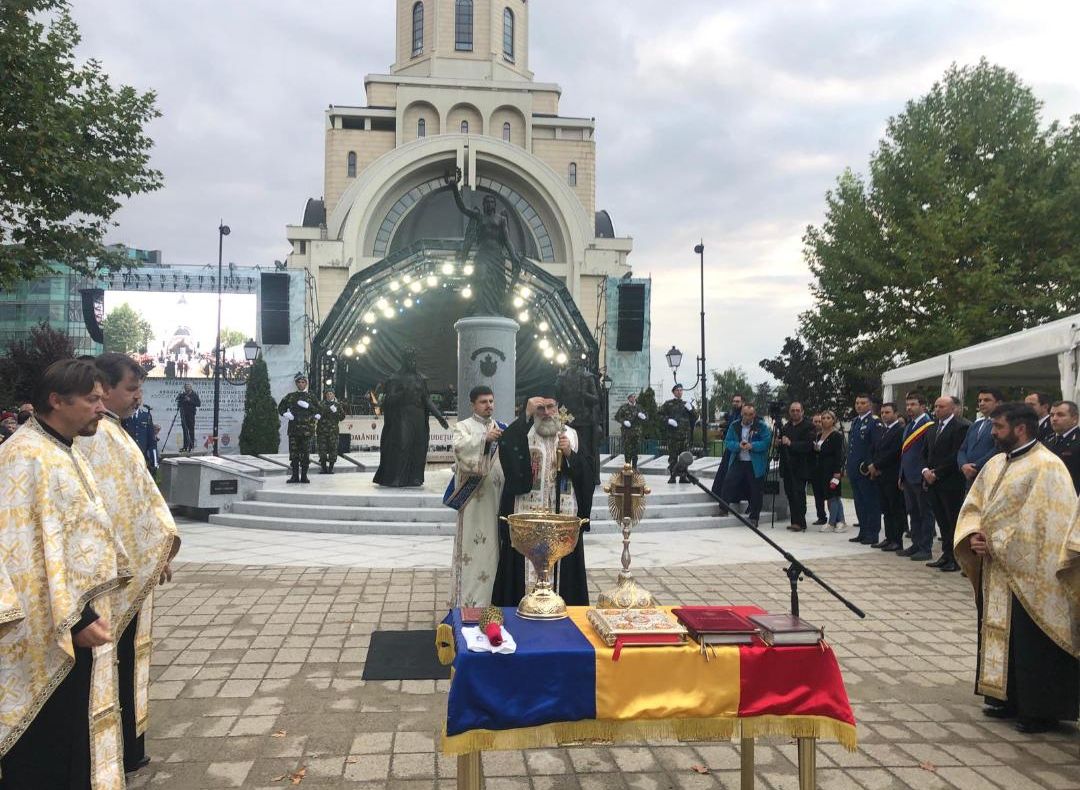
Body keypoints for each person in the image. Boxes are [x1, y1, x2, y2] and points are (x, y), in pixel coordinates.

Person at [0, 360, 127, 788]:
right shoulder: (26, 458)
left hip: (72, 617)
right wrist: (78, 618)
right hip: (49, 630)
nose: (101, 409)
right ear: (57, 400)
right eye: (92, 399)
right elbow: (22, 554)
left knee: (72, 735)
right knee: (47, 744)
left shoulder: (58, 448)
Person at [77, 353, 179, 774]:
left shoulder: (113, 431)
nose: (137, 398)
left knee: (127, 655)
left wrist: (155, 547)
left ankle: (127, 745)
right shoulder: (92, 437)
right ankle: (116, 749)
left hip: (134, 565)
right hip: (110, 576)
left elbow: (136, 498)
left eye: (140, 390)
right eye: (130, 390)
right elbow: (104, 508)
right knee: (110, 658)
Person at [954, 402, 1079, 733]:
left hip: (1032, 573)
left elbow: (1045, 522)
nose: (993, 433)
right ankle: (1005, 697)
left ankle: (1039, 710)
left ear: (1020, 428)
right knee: (1001, 632)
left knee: (1030, 639)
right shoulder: (995, 463)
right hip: (996, 568)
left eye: (998, 427)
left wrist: (995, 542)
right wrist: (974, 537)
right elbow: (974, 505)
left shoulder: (1047, 466)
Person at [492, 390, 593, 607]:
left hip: (561, 517)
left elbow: (588, 474)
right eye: (540, 408)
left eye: (551, 407)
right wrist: (524, 416)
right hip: (527, 517)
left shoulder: (572, 436)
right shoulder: (522, 434)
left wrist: (570, 456)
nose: (546, 413)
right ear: (533, 411)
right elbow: (506, 451)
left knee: (563, 570)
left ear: (559, 409)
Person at [448, 386, 506, 607]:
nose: (489, 405)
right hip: (473, 500)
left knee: (495, 549)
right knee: (471, 549)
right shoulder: (463, 427)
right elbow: (460, 450)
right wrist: (485, 438)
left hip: (497, 497)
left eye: (491, 401)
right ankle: (468, 602)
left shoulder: (502, 428)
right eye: (483, 402)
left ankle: (494, 601)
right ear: (473, 404)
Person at [372, 348, 449, 487]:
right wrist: (403, 393)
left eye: (414, 360)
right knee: (402, 444)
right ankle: (397, 477)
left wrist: (439, 416)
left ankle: (415, 477)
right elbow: (388, 400)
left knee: (419, 445)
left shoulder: (420, 378)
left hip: (418, 416)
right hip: (403, 416)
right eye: (410, 360)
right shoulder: (395, 378)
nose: (412, 363)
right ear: (404, 361)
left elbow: (426, 399)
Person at [921, 395, 970, 572]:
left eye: (941, 406)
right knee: (941, 520)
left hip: (950, 482)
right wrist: (925, 470)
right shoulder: (932, 428)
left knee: (952, 520)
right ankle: (946, 554)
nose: (937, 410)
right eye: (935, 406)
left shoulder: (961, 427)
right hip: (932, 481)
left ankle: (955, 558)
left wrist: (938, 473)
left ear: (952, 409)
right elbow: (925, 452)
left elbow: (956, 454)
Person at [720, 403, 772, 527]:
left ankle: (754, 516)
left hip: (755, 463)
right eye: (745, 414)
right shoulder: (735, 425)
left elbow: (766, 442)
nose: (748, 417)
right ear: (741, 414)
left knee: (756, 489)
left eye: (750, 414)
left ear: (754, 415)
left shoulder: (761, 426)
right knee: (728, 482)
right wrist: (738, 445)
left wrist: (752, 446)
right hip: (739, 460)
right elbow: (728, 442)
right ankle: (723, 509)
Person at [898, 393, 936, 561]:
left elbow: (928, 453)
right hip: (908, 475)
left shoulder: (928, 425)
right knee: (913, 512)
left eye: (913, 404)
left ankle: (925, 547)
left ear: (922, 406)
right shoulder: (909, 426)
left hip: (920, 475)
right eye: (907, 405)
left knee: (925, 513)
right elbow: (905, 453)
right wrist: (901, 474)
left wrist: (925, 471)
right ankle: (915, 543)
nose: (909, 408)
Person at [866, 402, 905, 552]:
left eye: (887, 412)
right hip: (879, 475)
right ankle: (889, 538)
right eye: (882, 412)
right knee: (886, 509)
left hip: (891, 474)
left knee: (895, 509)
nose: (884, 415)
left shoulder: (899, 430)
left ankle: (897, 540)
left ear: (895, 413)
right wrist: (871, 464)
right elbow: (873, 449)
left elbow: (894, 452)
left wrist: (876, 465)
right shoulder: (882, 430)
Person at [846, 393, 882, 545]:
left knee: (870, 502)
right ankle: (863, 531)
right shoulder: (855, 421)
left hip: (866, 469)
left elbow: (876, 446)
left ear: (869, 405)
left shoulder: (874, 422)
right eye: (857, 403)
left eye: (863, 403)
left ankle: (872, 533)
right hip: (855, 469)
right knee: (859, 502)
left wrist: (872, 464)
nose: (859, 405)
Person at [957, 388, 1003, 491]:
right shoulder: (975, 425)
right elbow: (962, 449)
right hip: (969, 478)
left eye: (987, 400)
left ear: (999, 403)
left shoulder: (1002, 425)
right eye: (980, 400)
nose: (981, 403)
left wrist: (975, 467)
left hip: (988, 477)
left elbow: (998, 449)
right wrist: (963, 465)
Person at [278, 372, 321, 484]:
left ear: (306, 383)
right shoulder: (291, 396)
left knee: (305, 454)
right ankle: (295, 476)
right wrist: (285, 414)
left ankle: (304, 476)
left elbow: (319, 410)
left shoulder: (311, 396)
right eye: (299, 382)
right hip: (294, 430)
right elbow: (281, 407)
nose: (301, 384)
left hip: (307, 430)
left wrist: (309, 406)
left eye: (303, 382)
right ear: (296, 384)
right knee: (294, 455)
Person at [779, 401, 815, 532]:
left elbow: (808, 445)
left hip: (801, 466)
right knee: (790, 493)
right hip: (787, 466)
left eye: (797, 410)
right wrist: (779, 443)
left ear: (802, 412)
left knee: (799, 494)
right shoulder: (786, 427)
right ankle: (794, 521)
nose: (795, 413)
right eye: (792, 410)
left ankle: (801, 521)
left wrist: (790, 443)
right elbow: (782, 445)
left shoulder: (809, 426)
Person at [813, 410, 848, 532]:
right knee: (829, 495)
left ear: (833, 420)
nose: (825, 420)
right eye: (823, 418)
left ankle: (833, 522)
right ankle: (841, 520)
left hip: (832, 469)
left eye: (828, 418)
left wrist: (837, 471)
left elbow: (839, 454)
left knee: (833, 495)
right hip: (821, 469)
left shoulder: (836, 435)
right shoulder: (819, 435)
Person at [710, 394, 745, 506]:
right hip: (731, 447)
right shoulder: (731, 414)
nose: (735, 403)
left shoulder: (743, 414)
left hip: (740, 448)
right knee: (724, 471)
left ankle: (734, 496)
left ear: (742, 402)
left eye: (738, 401)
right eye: (734, 401)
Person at [659, 384, 697, 484]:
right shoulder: (668, 404)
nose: (679, 392)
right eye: (677, 390)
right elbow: (659, 415)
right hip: (673, 436)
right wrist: (668, 420)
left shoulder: (686, 404)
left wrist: (691, 409)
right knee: (673, 457)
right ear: (674, 392)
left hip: (685, 436)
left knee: (684, 457)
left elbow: (696, 417)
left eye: (681, 390)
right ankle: (672, 476)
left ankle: (683, 477)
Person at [1048, 400, 1079, 493]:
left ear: (1075, 419)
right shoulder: (1047, 441)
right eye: (1052, 415)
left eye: (1060, 415)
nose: (1054, 419)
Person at [612, 392, 647, 469]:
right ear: (628, 398)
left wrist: (643, 416)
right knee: (627, 451)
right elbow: (617, 417)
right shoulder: (624, 407)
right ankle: (627, 467)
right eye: (631, 397)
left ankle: (634, 467)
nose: (633, 398)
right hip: (627, 434)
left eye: (634, 397)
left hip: (637, 433)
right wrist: (624, 421)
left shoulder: (639, 407)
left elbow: (646, 417)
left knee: (636, 451)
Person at [317, 389, 348, 474]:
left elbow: (342, 418)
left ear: (334, 395)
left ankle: (330, 468)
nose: (329, 395)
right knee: (322, 450)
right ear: (325, 395)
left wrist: (336, 412)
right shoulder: (320, 404)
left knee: (333, 450)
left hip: (333, 432)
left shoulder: (337, 405)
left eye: (331, 394)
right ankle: (323, 468)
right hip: (322, 431)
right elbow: (316, 414)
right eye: (328, 394)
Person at [808, 412, 829, 526]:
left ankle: (835, 518)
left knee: (830, 495)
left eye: (819, 421)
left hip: (825, 468)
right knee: (817, 495)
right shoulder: (811, 435)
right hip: (814, 469)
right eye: (815, 421)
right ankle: (821, 516)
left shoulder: (828, 434)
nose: (817, 424)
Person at [176, 381, 200, 452]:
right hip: (183, 415)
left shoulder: (194, 395)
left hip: (191, 415)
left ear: (191, 387)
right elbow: (179, 402)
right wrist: (179, 399)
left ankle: (191, 446)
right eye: (186, 386)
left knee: (191, 431)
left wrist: (189, 400)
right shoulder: (183, 395)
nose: (187, 387)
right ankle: (185, 447)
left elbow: (198, 404)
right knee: (185, 431)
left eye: (188, 386)